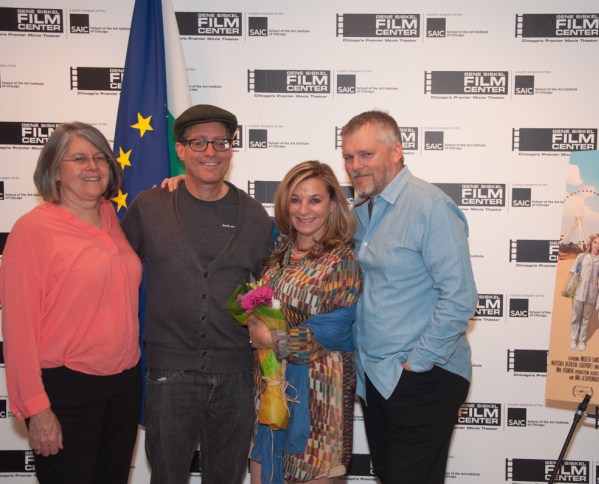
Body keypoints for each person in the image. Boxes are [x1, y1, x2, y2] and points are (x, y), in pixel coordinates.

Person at [121, 104, 273, 483]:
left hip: (236, 376)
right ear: (181, 149)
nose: (211, 152)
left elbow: (267, 294)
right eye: (199, 142)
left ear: (231, 149)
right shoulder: (150, 207)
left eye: (221, 142)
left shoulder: (255, 216)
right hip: (169, 375)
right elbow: (115, 274)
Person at [340, 110, 477, 484]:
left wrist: (417, 364)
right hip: (376, 377)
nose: (355, 165)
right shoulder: (362, 209)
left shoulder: (429, 206)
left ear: (396, 151)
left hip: (422, 377)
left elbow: (460, 298)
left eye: (366, 154)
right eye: (348, 156)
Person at [0, 122, 142, 483]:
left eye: (100, 158)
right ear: (55, 171)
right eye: (78, 159)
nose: (92, 166)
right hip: (65, 389)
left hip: (123, 385)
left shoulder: (110, 215)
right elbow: (18, 330)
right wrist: (37, 409)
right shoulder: (33, 230)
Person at [247, 160, 362, 484]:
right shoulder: (279, 254)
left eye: (315, 200)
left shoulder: (341, 260)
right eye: (295, 200)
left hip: (318, 404)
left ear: (332, 205)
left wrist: (270, 339)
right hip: (270, 396)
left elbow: (333, 333)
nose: (303, 210)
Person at [564, 233, 599, 351]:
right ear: (591, 242)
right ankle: (573, 338)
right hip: (578, 291)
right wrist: (565, 286)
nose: (597, 245)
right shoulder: (581, 256)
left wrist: (598, 291)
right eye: (595, 242)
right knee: (576, 316)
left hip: (592, 293)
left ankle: (582, 340)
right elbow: (573, 271)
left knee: (586, 318)